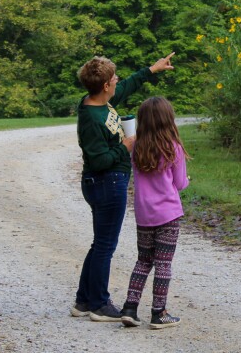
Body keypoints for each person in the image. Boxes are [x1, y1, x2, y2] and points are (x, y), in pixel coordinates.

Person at [71, 53, 175, 322]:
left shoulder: (102, 103)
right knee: (106, 245)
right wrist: (125, 147)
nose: (118, 80)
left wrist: (152, 69)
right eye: (113, 78)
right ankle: (99, 304)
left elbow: (128, 85)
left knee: (100, 244)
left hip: (109, 183)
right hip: (105, 183)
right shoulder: (92, 117)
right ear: (105, 86)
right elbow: (98, 160)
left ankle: (84, 300)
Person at [118, 96, 189, 329]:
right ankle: (159, 312)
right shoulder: (173, 148)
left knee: (144, 260)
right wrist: (186, 180)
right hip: (168, 215)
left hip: (144, 215)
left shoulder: (136, 147)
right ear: (168, 119)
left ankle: (130, 308)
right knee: (163, 263)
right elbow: (178, 183)